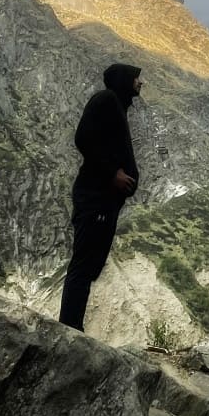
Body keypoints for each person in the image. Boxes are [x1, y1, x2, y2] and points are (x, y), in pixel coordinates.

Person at [58, 63, 142, 331]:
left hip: (105, 202)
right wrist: (113, 173)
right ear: (123, 80)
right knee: (83, 264)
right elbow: (83, 138)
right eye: (136, 78)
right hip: (95, 198)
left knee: (90, 265)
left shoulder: (117, 105)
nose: (141, 83)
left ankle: (73, 326)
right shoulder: (106, 100)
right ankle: (70, 328)